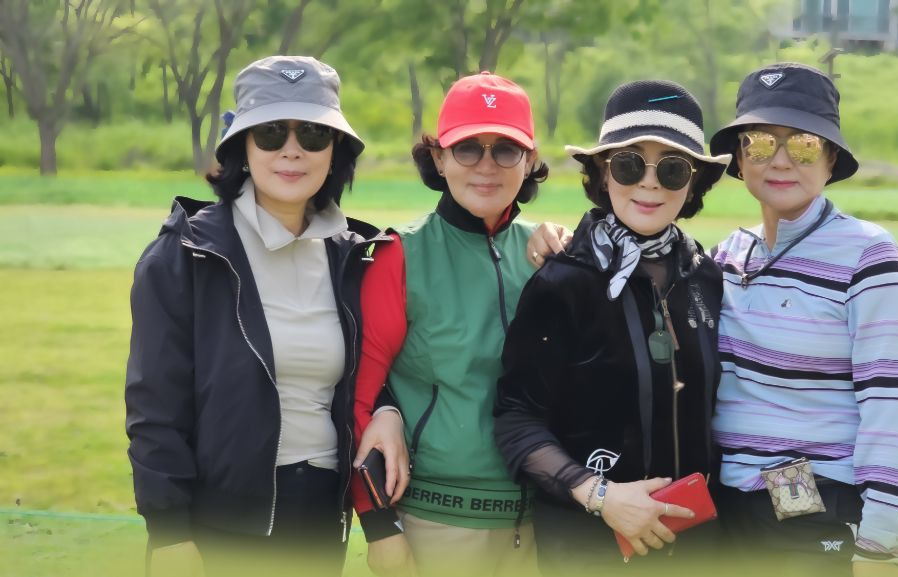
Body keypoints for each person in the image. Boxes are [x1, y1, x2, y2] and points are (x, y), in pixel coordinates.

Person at [125, 55, 409, 577]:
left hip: (320, 521)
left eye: (314, 135)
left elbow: (371, 369)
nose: (292, 150)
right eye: (272, 132)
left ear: (336, 151)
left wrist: (388, 412)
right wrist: (168, 532)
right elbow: (155, 409)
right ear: (242, 147)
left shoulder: (355, 255)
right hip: (216, 531)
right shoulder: (183, 255)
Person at [493, 80, 731, 576]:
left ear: (693, 184)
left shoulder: (706, 276)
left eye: (672, 168)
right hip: (588, 547)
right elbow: (517, 419)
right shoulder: (562, 281)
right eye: (629, 164)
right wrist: (601, 496)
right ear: (603, 172)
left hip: (697, 546)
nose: (650, 184)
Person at [705, 62, 898, 576]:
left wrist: (882, 524)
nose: (780, 160)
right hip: (722, 502)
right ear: (740, 158)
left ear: (830, 159)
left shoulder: (868, 254)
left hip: (808, 496)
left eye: (802, 144)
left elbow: (889, 393)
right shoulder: (725, 256)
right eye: (760, 143)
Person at [350, 72, 548, 577]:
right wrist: (379, 526)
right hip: (435, 523)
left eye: (507, 149)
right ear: (438, 158)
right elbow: (359, 396)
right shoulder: (400, 254)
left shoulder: (550, 254)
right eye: (467, 148)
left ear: (529, 160)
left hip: (545, 521)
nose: (487, 165)